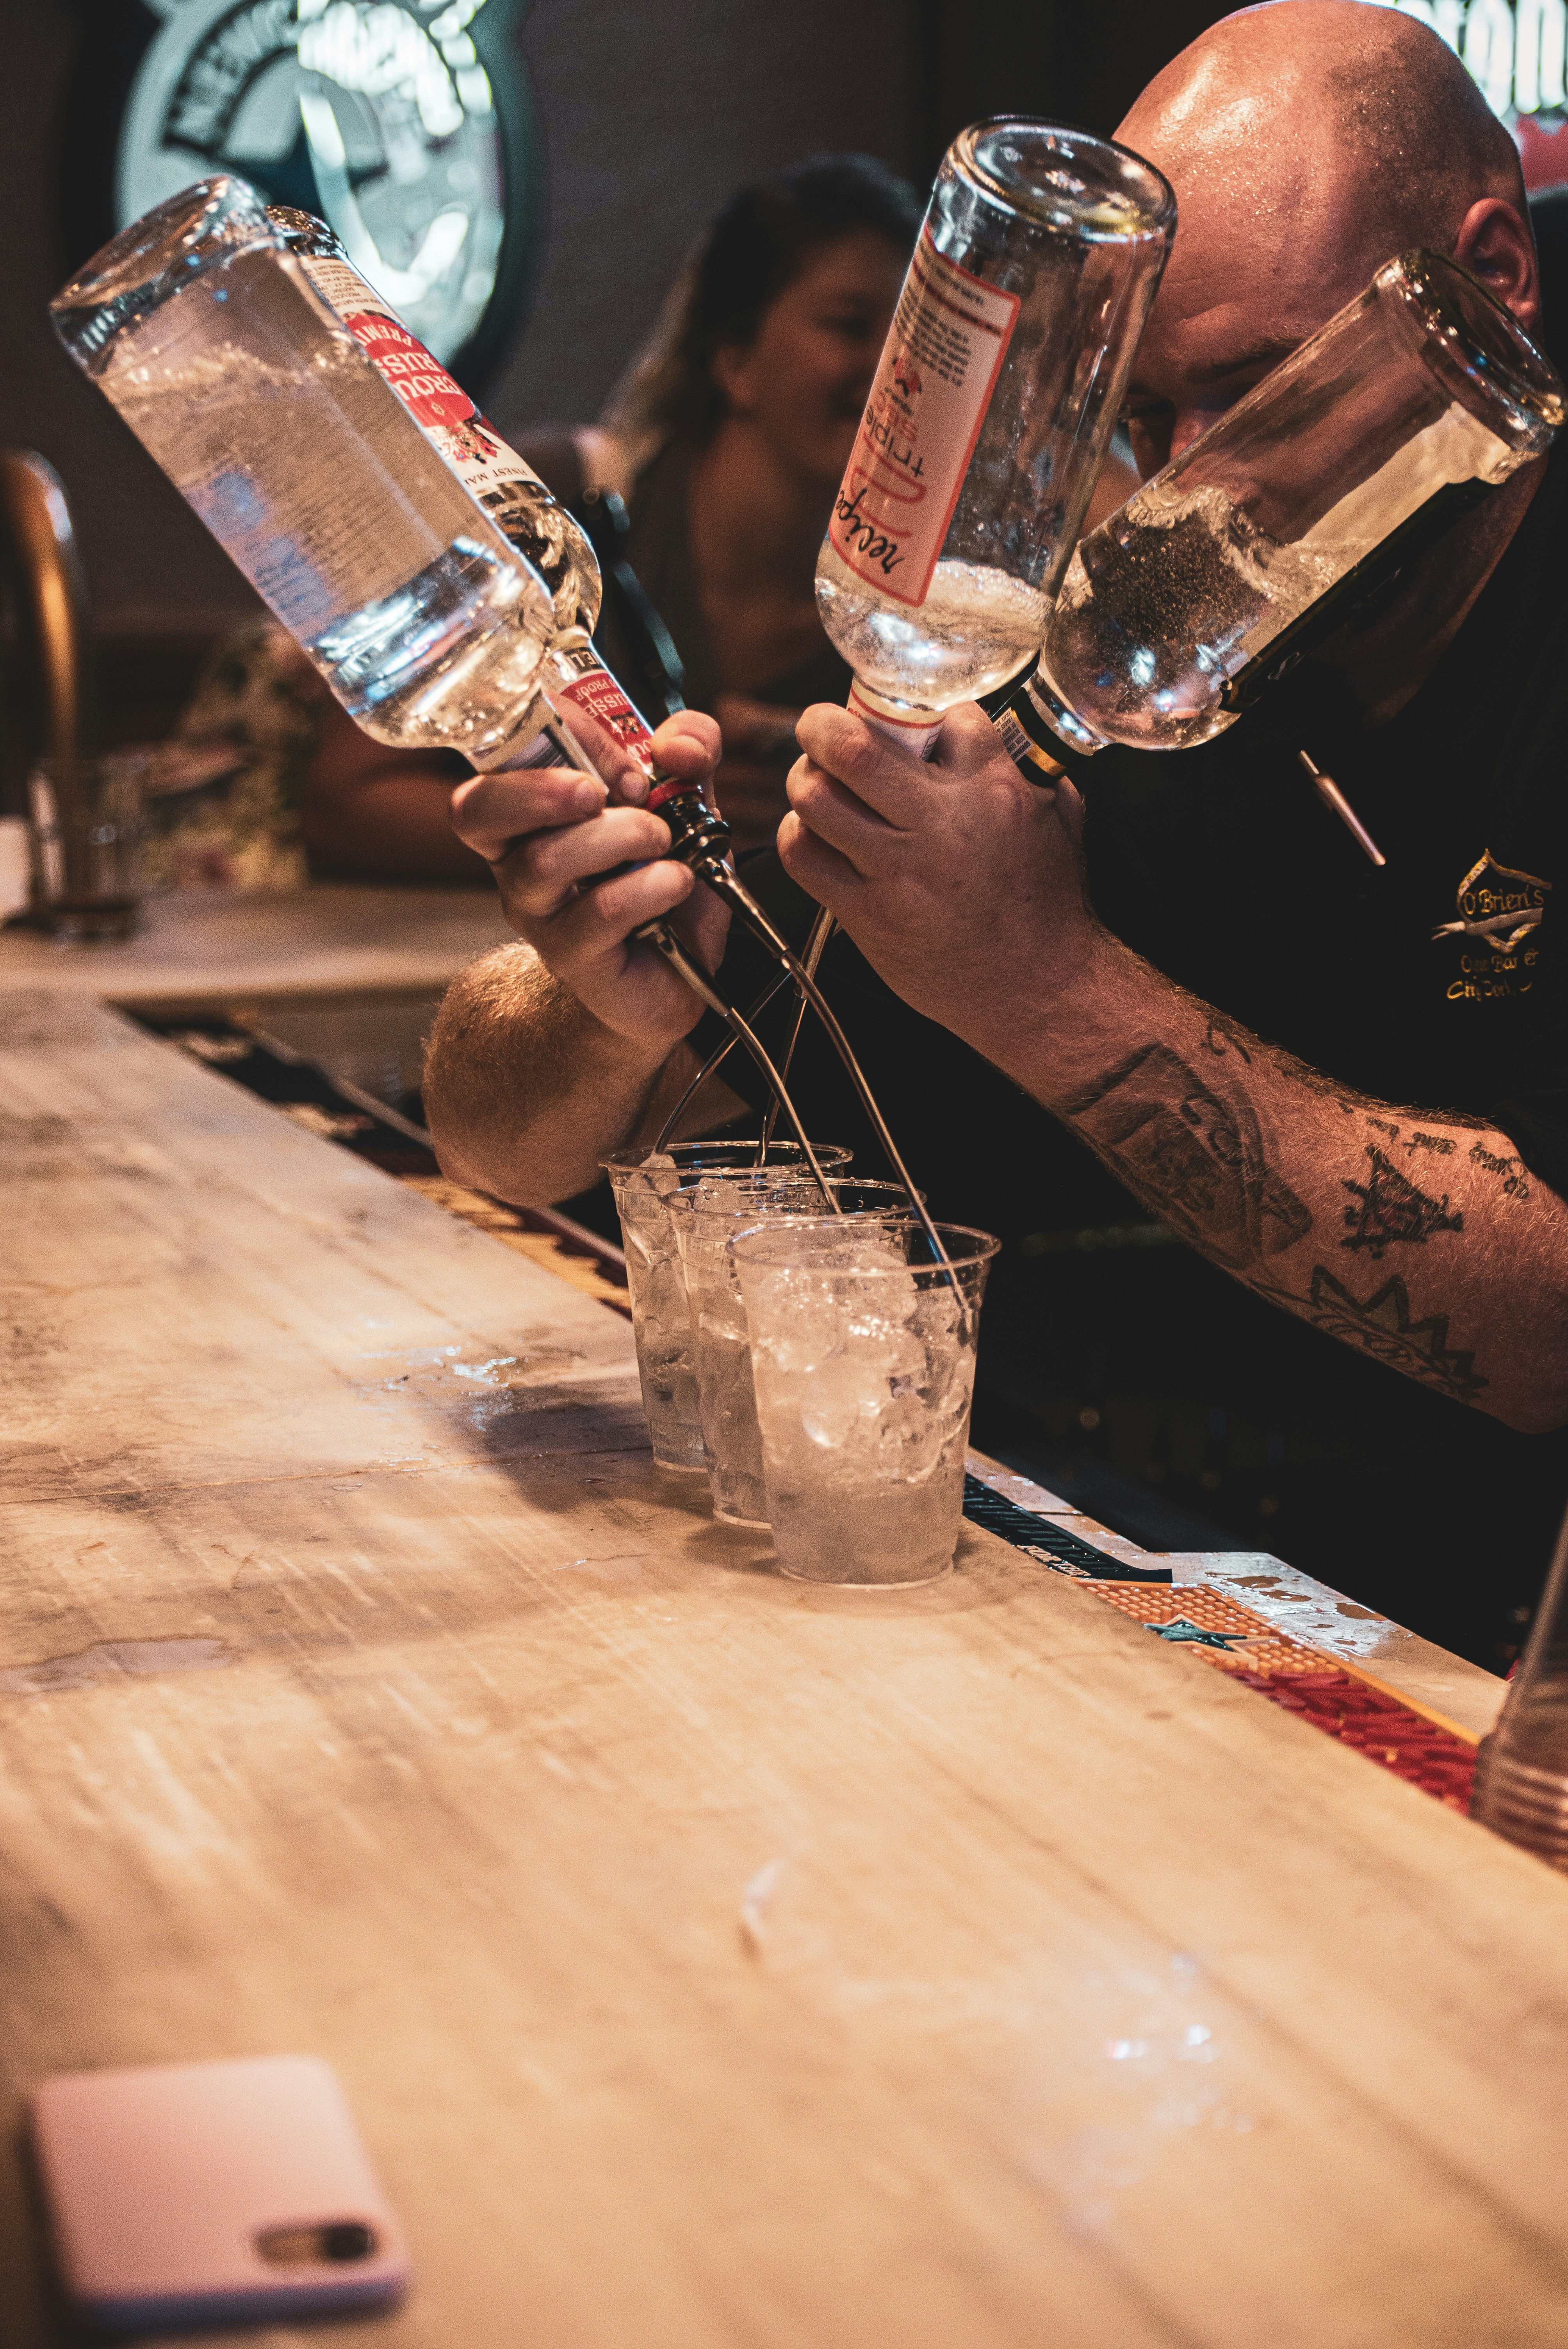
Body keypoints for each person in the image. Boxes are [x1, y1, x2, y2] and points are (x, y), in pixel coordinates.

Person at [422, 0, 1568, 1668]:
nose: (1194, 487)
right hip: (1168, 1592)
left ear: (1488, 275)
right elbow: (491, 1138)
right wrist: (608, 998)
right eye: (1142, 412)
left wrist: (1040, 984)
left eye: (1253, 389)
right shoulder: (1113, 646)